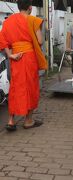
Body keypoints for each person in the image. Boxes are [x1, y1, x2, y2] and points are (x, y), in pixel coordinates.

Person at [0, 0, 47, 131]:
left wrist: (10, 55)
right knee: (31, 87)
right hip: (29, 57)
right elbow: (40, 41)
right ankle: (28, 120)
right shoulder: (33, 20)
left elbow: (3, 41)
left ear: (18, 6)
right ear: (30, 8)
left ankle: (11, 120)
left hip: (16, 58)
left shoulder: (8, 21)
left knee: (15, 87)